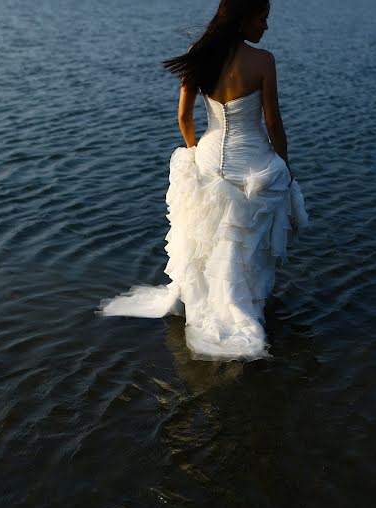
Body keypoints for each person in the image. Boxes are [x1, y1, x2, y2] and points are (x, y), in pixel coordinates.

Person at [98, 0, 308, 361]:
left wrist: (197, 152)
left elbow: (183, 117)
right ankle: (243, 306)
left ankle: (208, 299)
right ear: (243, 20)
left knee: (211, 235)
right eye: (262, 19)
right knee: (243, 237)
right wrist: (285, 165)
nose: (266, 27)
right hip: (251, 161)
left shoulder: (200, 56)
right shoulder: (263, 61)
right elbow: (273, 123)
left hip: (209, 155)